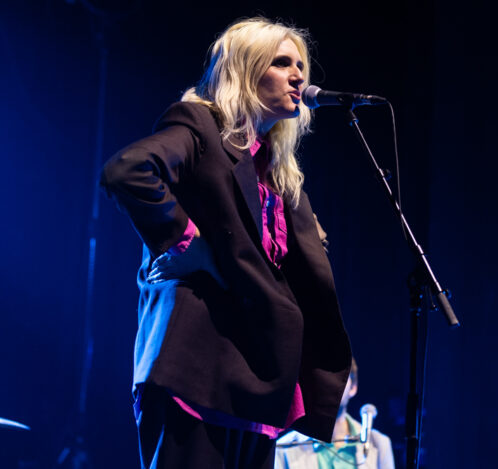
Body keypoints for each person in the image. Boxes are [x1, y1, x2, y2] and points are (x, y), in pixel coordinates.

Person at [100, 17, 352, 469]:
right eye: (282, 63)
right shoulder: (199, 126)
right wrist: (185, 240)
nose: (298, 76)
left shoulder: (276, 171)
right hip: (195, 369)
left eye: (301, 65)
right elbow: (130, 169)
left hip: (256, 383)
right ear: (245, 70)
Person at [275, 359, 395, 469]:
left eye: (338, 376)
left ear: (353, 387)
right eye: (321, 377)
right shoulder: (283, 448)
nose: (328, 384)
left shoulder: (379, 443)